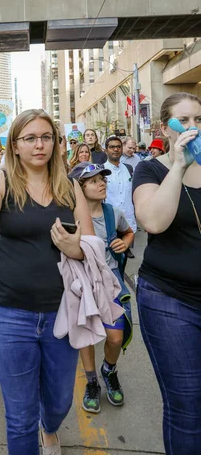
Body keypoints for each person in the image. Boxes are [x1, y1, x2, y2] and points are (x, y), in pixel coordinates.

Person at [0, 109, 94, 455]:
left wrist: (73, 247)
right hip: (8, 314)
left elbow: (91, 247)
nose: (39, 145)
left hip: (63, 313)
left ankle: (50, 429)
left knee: (60, 399)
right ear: (14, 145)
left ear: (56, 142)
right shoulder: (2, 180)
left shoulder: (70, 185)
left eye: (46, 137)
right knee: (19, 416)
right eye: (29, 138)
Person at [133, 92, 201, 455]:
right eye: (184, 121)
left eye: (199, 121)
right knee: (188, 406)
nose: (193, 128)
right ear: (166, 128)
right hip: (169, 300)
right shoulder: (151, 169)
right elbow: (154, 222)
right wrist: (178, 166)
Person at [69, 162, 134, 414]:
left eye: (103, 179)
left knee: (115, 337)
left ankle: (109, 369)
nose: (102, 183)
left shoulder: (112, 213)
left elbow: (128, 232)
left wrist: (124, 242)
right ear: (80, 187)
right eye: (94, 181)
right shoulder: (70, 214)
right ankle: (92, 381)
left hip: (110, 280)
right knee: (87, 333)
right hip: (83, 282)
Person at [104, 136, 137, 234]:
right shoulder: (102, 170)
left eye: (118, 147)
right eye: (112, 147)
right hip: (110, 223)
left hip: (129, 223)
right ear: (106, 150)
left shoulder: (128, 168)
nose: (116, 149)